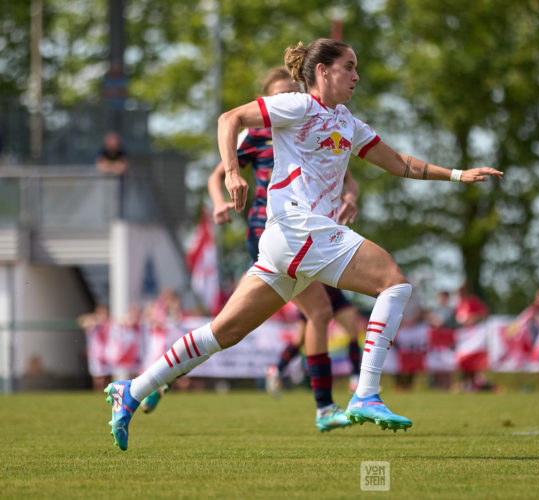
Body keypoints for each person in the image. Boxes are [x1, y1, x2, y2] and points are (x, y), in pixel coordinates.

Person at [104, 38, 502, 451]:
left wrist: (458, 175)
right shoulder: (297, 105)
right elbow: (229, 119)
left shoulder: (347, 121)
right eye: (349, 66)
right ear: (323, 71)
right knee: (394, 282)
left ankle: (131, 391)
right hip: (297, 228)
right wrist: (231, 173)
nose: (356, 75)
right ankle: (365, 393)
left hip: (290, 242)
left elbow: (400, 163)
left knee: (223, 331)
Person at [141, 68, 358, 432]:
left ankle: (159, 378)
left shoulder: (313, 127)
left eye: (290, 93)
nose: (284, 101)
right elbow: (216, 175)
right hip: (271, 232)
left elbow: (348, 178)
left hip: (311, 231)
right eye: (276, 97)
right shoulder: (256, 133)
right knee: (320, 313)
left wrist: (350, 197)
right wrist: (219, 199)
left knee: (229, 327)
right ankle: (325, 406)